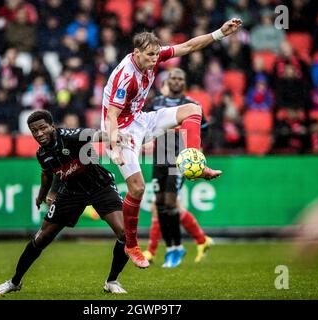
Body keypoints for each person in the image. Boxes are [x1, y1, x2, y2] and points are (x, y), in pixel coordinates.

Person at [101, 18, 242, 268]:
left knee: (192, 109)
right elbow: (111, 115)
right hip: (121, 130)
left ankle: (194, 162)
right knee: (137, 189)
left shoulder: (154, 56)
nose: (155, 59)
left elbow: (187, 46)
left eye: (157, 54)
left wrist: (220, 33)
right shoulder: (126, 76)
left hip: (140, 119)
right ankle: (131, 245)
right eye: (150, 55)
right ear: (136, 53)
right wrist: (113, 143)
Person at [0, 110, 130, 295]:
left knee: (124, 233)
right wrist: (42, 195)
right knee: (41, 238)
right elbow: (47, 173)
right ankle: (14, 282)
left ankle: (111, 281)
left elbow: (93, 134)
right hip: (70, 192)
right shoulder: (42, 154)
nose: (38, 134)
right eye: (34, 131)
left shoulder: (70, 136)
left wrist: (114, 136)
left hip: (100, 187)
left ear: (52, 126)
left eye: (42, 128)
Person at [141, 69, 213, 268]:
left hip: (179, 159)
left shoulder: (191, 105)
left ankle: (177, 247)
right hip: (159, 157)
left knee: (171, 202)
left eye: (180, 78)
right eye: (173, 78)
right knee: (160, 203)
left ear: (184, 82)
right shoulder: (155, 103)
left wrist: (198, 149)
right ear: (167, 80)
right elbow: (143, 125)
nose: (176, 81)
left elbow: (205, 128)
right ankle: (172, 248)